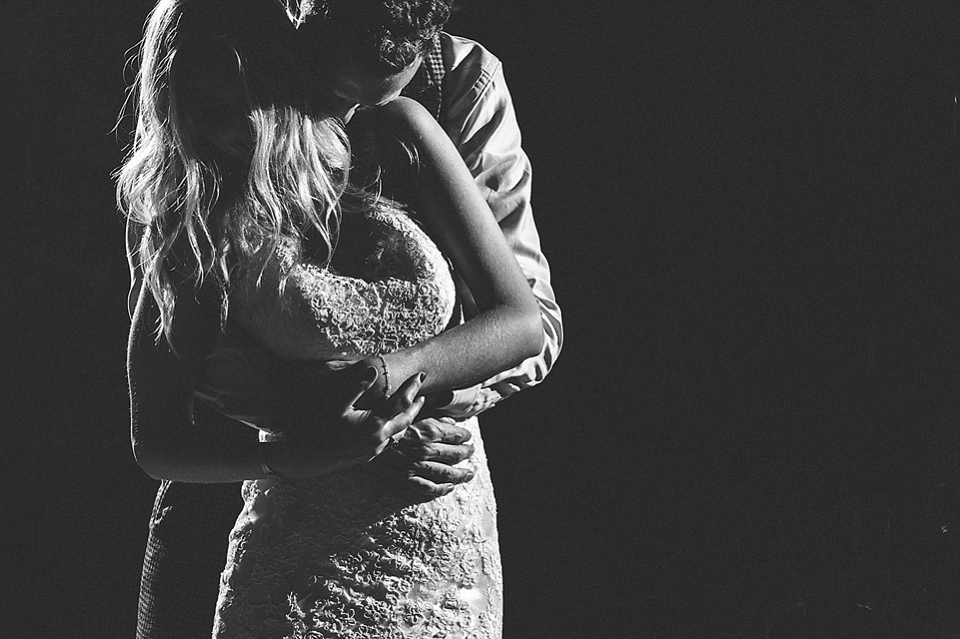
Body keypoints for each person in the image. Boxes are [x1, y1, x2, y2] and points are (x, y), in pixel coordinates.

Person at [124, 0, 563, 636]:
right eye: (330, 84)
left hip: (428, 515)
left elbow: (530, 325)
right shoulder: (204, 190)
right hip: (265, 506)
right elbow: (165, 419)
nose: (349, 114)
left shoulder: (425, 116)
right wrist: (309, 439)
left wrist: (399, 395)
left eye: (374, 92)